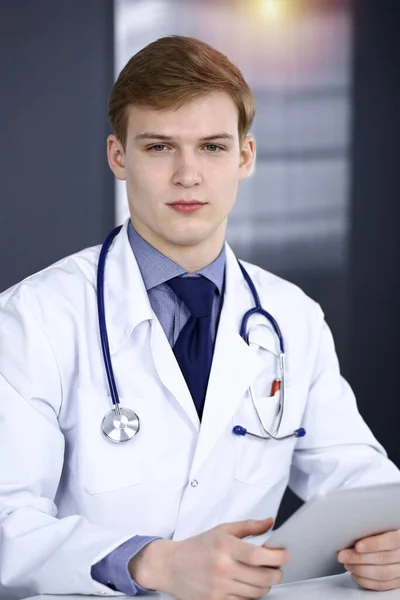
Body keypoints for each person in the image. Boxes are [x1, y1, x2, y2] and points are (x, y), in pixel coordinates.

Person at [0, 35, 400, 600]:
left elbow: (356, 475)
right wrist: (151, 564)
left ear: (245, 157)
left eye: (212, 147)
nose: (188, 175)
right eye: (160, 147)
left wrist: (390, 539)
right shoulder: (34, 318)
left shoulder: (291, 317)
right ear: (119, 156)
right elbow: (6, 522)